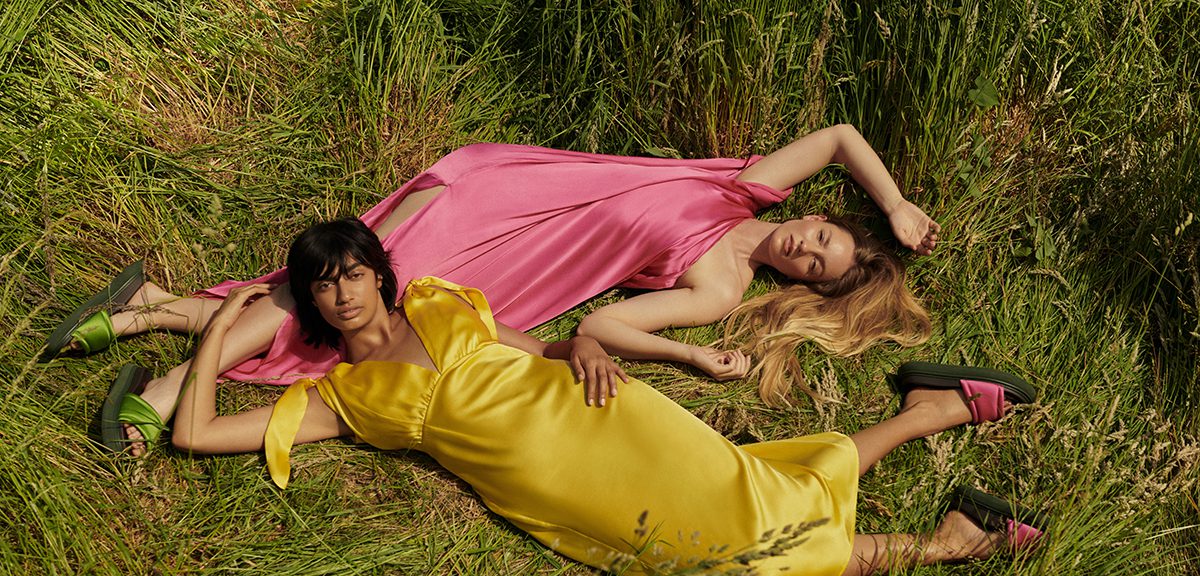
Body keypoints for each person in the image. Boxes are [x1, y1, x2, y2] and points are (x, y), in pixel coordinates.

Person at [166, 219, 1041, 576]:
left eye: (354, 272)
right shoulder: (345, 396)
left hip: (603, 411)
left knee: (748, 491)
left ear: (381, 275)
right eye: (323, 285)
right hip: (568, 492)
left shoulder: (439, 300)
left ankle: (942, 505)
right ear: (313, 302)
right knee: (743, 558)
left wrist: (582, 338)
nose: (343, 292)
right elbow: (197, 434)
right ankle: (935, 453)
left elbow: (542, 344)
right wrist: (218, 332)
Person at [48, 124, 939, 452]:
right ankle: (156, 330)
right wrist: (894, 205)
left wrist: (687, 352)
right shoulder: (752, 184)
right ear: (826, 219)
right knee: (343, 276)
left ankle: (152, 336)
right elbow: (839, 136)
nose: (803, 245)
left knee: (346, 293)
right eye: (822, 235)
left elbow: (610, 323)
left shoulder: (717, 280)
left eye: (811, 265)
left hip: (506, 265)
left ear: (796, 284)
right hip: (504, 189)